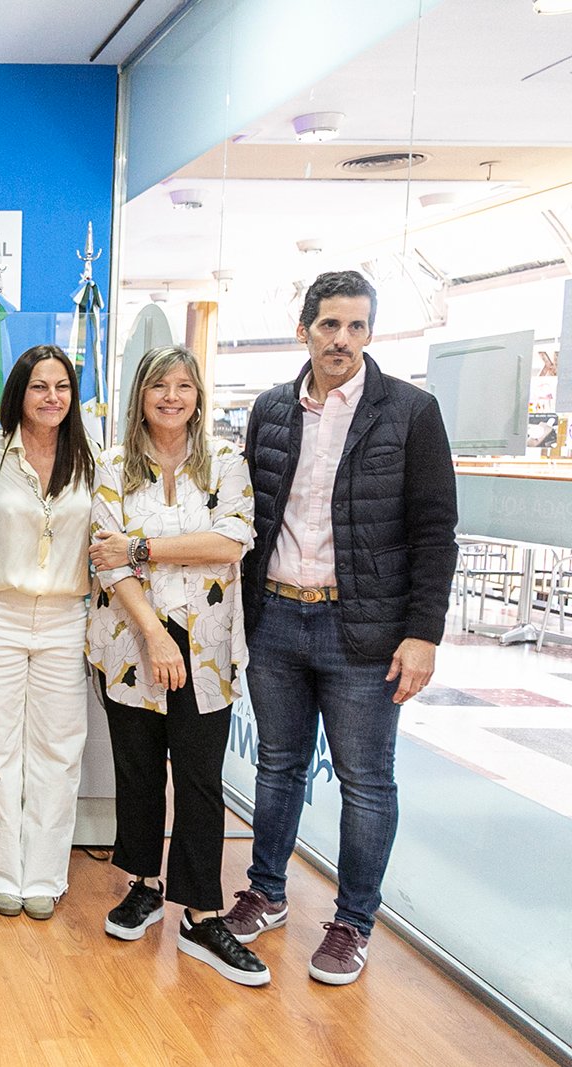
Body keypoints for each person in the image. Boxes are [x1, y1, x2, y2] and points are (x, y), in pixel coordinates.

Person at [228, 270, 457, 985]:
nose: (343, 340)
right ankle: (266, 892)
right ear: (304, 330)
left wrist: (424, 633)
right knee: (278, 765)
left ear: (370, 333)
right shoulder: (270, 409)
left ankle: (353, 922)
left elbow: (435, 531)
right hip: (276, 617)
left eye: (357, 326)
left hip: (364, 628)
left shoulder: (411, 412)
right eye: (330, 324)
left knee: (366, 781)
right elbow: (249, 517)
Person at [87, 344, 268, 987]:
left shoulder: (226, 461)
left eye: (184, 385)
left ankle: (201, 913)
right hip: (131, 640)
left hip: (208, 648)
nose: (171, 396)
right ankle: (143, 883)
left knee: (198, 777)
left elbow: (231, 541)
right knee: (137, 770)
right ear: (140, 394)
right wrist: (155, 637)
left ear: (198, 396)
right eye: (159, 385)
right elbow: (105, 560)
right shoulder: (111, 465)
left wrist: (140, 546)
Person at [0, 345, 93, 921]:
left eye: (62, 387)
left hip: (66, 617)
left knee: (57, 751)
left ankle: (43, 874)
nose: (51, 397)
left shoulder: (92, 459)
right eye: (39, 386)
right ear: (19, 392)